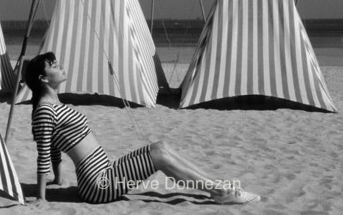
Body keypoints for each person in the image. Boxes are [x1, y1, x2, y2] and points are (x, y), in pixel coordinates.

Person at [24, 52, 261, 205]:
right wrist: (41, 197)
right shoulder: (46, 109)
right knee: (158, 156)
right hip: (98, 184)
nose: (61, 66)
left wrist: (58, 179)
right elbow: (44, 151)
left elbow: (54, 147)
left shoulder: (52, 105)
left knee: (161, 146)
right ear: (44, 79)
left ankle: (219, 185)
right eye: (54, 66)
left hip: (105, 172)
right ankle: (219, 192)